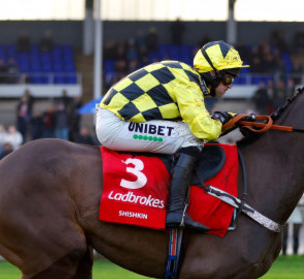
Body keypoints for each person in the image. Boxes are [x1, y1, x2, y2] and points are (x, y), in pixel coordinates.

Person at [95, 41, 252, 231]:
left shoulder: (187, 78)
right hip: (115, 125)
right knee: (190, 138)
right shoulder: (188, 83)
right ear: (212, 73)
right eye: (228, 79)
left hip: (116, 119)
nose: (230, 86)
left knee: (186, 132)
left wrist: (235, 119)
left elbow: (202, 124)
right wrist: (226, 120)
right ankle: (176, 213)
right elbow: (204, 130)